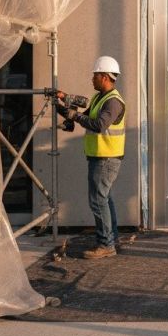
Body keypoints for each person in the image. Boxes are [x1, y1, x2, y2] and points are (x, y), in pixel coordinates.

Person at [57, 55, 126, 260]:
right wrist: (63, 102)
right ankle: (111, 239)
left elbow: (98, 125)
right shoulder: (99, 98)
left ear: (104, 76)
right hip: (99, 156)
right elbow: (85, 116)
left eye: (95, 75)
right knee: (104, 199)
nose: (92, 79)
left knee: (97, 201)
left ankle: (106, 245)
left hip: (106, 158)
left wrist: (74, 116)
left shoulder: (113, 102)